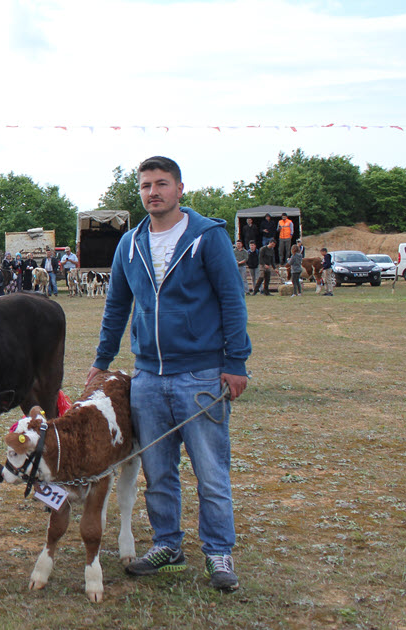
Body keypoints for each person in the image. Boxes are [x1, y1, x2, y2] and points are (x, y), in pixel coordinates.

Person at [88, 156, 250, 593]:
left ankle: (218, 552)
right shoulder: (130, 244)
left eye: (162, 184)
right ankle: (167, 546)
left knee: (211, 472)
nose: (153, 192)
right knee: (158, 472)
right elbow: (116, 306)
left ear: (180, 189)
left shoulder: (207, 238)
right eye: (146, 185)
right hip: (147, 380)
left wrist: (236, 364)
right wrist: (102, 361)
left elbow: (233, 301)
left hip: (199, 375)